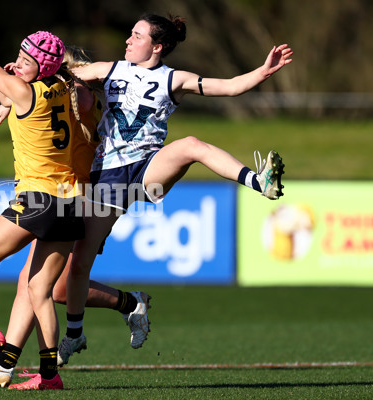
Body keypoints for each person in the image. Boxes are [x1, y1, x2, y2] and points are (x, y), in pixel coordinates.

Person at [57, 13, 292, 364]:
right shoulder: (110, 69)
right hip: (107, 176)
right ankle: (75, 335)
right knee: (76, 269)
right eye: (130, 35)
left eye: (136, 36)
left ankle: (260, 182)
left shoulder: (174, 79)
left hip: (149, 168)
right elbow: (59, 75)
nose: (128, 41)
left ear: (157, 46)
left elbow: (227, 87)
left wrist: (262, 71)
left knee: (192, 145)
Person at [0, 46, 152, 382]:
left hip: (72, 196)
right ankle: (17, 365)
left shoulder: (80, 94)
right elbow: (31, 98)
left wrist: (9, 90)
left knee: (50, 287)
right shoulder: (65, 92)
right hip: (71, 199)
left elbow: (40, 97)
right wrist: (9, 95)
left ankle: (128, 303)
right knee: (38, 288)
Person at [0, 22, 84, 390]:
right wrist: (5, 101)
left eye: (26, 61)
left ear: (42, 67)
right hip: (72, 204)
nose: (18, 63)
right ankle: (50, 375)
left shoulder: (26, 93)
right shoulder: (60, 87)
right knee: (39, 292)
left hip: (38, 201)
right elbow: (15, 92)